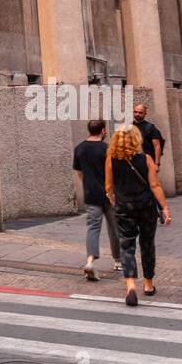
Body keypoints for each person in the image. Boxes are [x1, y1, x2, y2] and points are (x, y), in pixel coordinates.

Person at [105, 123, 170, 306]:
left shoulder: (111, 158)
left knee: (127, 245)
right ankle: (148, 284)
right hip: (146, 205)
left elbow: (109, 186)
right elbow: (155, 185)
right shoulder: (146, 159)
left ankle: (131, 286)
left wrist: (112, 199)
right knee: (147, 244)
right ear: (136, 139)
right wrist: (165, 208)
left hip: (123, 206)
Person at [73, 118, 121, 281]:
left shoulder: (80, 148)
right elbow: (114, 172)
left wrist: (88, 184)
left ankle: (90, 261)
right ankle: (118, 260)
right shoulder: (108, 149)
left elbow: (79, 172)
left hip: (91, 193)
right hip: (110, 194)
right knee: (114, 227)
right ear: (103, 131)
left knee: (93, 228)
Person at [131, 102, 165, 169]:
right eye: (135, 112)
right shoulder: (129, 127)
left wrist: (157, 164)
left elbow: (157, 146)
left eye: (140, 113)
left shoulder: (150, 127)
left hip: (147, 162)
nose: (137, 114)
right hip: (132, 162)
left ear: (145, 114)